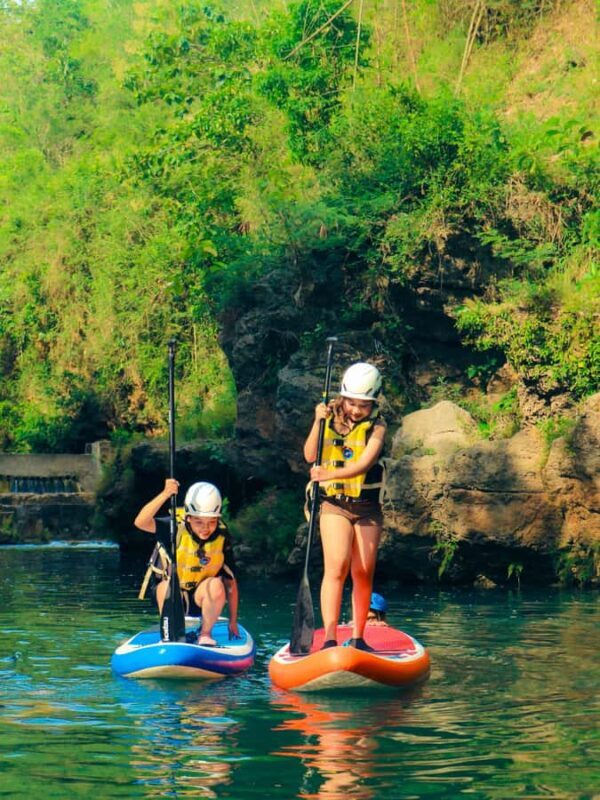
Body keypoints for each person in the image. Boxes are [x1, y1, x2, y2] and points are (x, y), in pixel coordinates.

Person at [304, 361, 386, 652]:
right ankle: (328, 637)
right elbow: (310, 454)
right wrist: (317, 421)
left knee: (362, 571)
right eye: (352, 403)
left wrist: (331, 474)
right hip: (335, 505)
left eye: (363, 405)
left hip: (367, 508)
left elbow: (365, 463)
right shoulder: (326, 418)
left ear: (373, 402)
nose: (355, 410)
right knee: (336, 567)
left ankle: (359, 637)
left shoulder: (378, 426)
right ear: (342, 397)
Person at [134, 479, 240, 646]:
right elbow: (140, 522)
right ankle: (171, 632)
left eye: (211, 522)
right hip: (172, 598)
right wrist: (165, 494)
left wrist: (233, 621)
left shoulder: (222, 536)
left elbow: (230, 583)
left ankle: (205, 634)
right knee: (165, 587)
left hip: (201, 598)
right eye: (199, 522)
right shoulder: (173, 527)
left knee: (216, 585)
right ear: (188, 518)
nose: (205, 528)